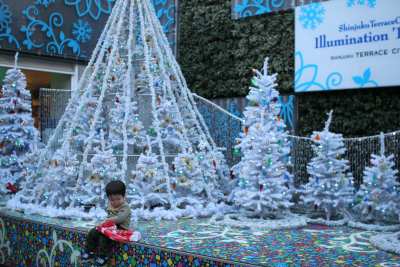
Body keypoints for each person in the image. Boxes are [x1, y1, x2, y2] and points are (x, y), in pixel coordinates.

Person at [81, 180, 135, 266]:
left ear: (124, 197)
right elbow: (109, 217)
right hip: (111, 226)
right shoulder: (110, 205)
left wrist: (107, 222)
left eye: (118, 199)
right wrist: (102, 225)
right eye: (112, 200)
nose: (115, 202)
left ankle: (104, 256)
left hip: (120, 228)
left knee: (105, 237)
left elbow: (120, 218)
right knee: (93, 231)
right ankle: (89, 251)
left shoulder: (126, 207)